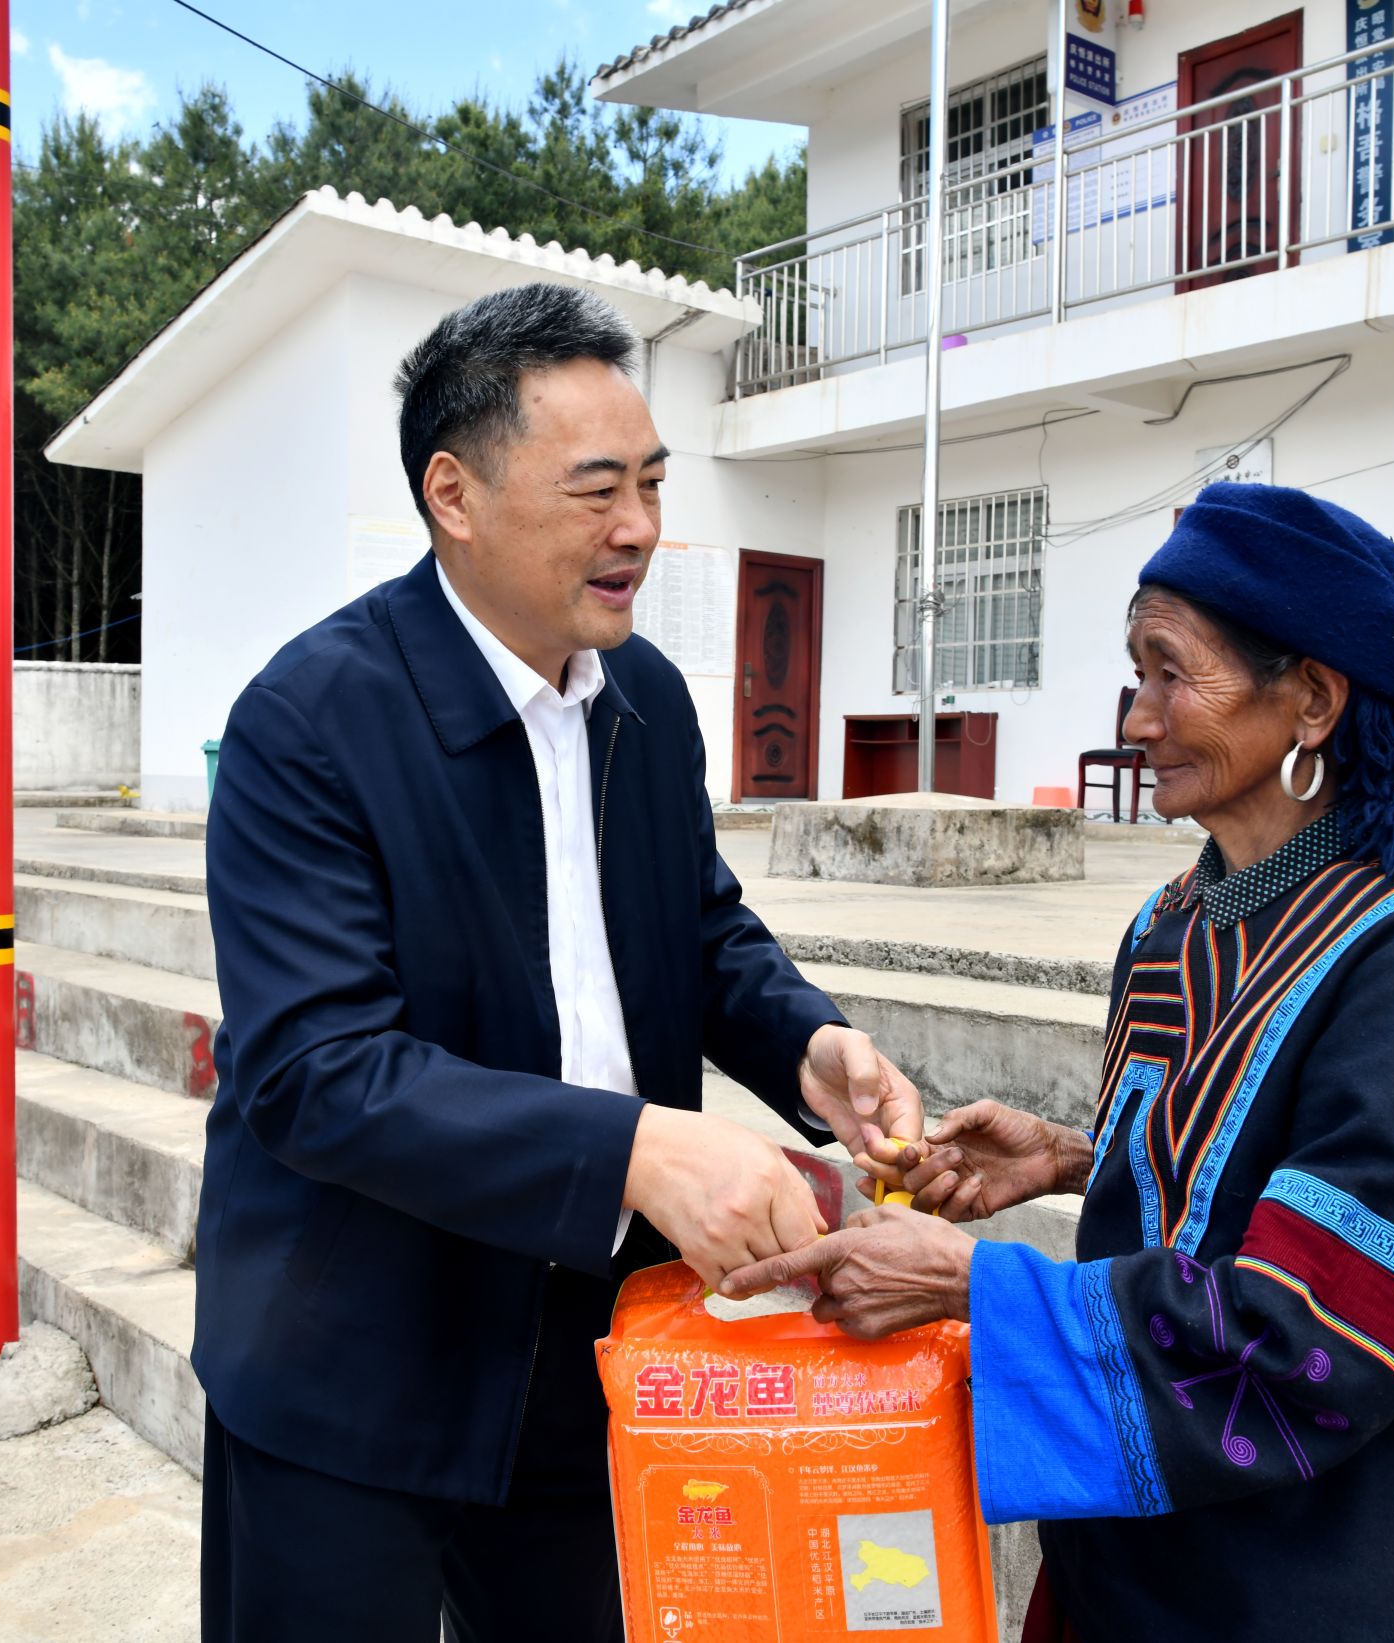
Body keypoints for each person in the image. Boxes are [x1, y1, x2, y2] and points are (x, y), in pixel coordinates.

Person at [196, 281, 924, 1643]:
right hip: (353, 1349)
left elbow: (699, 928)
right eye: (597, 489)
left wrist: (807, 1045)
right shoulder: (310, 721)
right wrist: (636, 1147)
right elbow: (317, 1071)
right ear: (455, 495)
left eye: (650, 482)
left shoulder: (644, 698)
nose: (638, 526)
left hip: (590, 1336)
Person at [726, 485, 1394, 1642]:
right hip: (1135, 1569)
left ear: (1312, 700)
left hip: (1326, 1583)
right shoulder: (1175, 924)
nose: (1136, 718)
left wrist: (973, 1285)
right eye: (1135, 673)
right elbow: (1229, 1177)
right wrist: (1080, 1156)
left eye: (1172, 674)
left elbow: (1313, 1341)